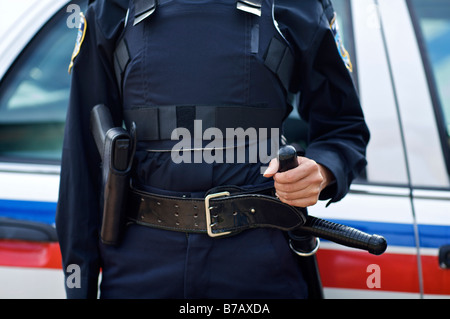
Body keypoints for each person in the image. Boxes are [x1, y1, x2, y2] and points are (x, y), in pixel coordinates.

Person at [56, 0, 370, 299]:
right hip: (139, 265)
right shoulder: (113, 9)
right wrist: (79, 286)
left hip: (258, 264)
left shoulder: (297, 7)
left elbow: (344, 127)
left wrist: (322, 170)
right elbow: (81, 162)